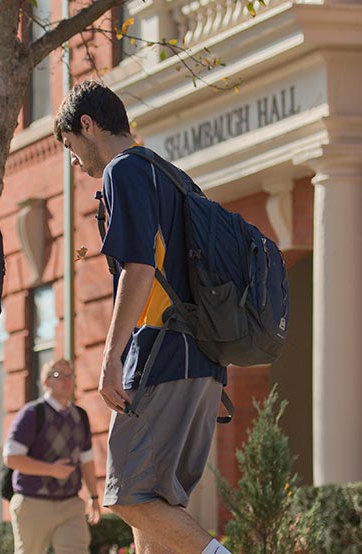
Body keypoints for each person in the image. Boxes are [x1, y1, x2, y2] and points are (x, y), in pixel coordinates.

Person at [54, 81, 232, 554]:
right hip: (204, 359)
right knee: (154, 509)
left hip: (162, 353)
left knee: (128, 495)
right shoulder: (171, 176)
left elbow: (138, 268)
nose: (75, 162)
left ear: (87, 125)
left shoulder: (125, 170)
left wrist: (111, 357)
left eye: (71, 146)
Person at [4, 359, 101, 553]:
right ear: (46, 382)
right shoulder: (32, 413)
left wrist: (93, 496)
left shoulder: (80, 416)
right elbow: (11, 458)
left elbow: (87, 460)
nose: (67, 381)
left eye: (70, 376)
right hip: (33, 504)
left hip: (71, 504)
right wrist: (51, 470)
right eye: (59, 376)